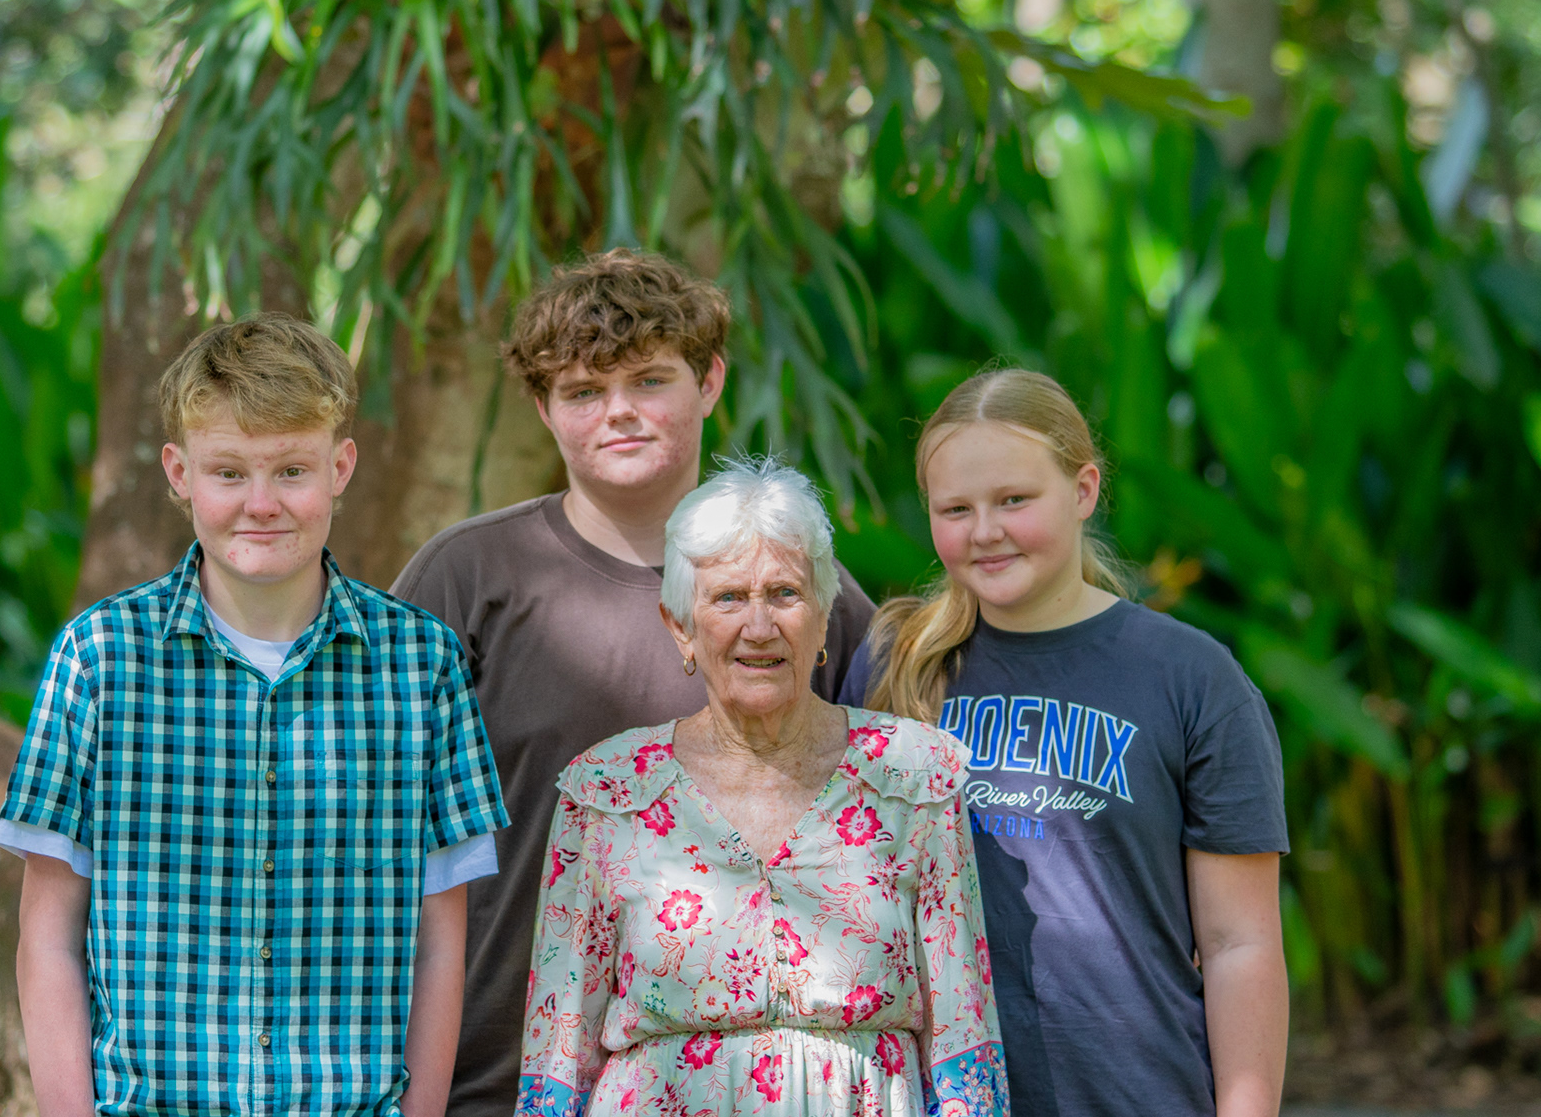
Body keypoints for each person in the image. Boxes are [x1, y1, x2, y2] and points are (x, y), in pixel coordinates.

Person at [390, 250, 877, 1117]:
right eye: (583, 391)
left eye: (649, 380)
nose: (619, 410)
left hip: (740, 1086)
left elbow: (895, 831)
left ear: (710, 381)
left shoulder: (801, 596)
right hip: (490, 1078)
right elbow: (374, 842)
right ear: (543, 409)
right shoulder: (467, 581)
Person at [0, 315, 510, 1117]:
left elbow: (440, 944)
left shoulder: (422, 665)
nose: (261, 504)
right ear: (179, 473)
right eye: (228, 473)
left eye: (292, 470)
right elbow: (49, 937)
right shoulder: (98, 660)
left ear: (340, 467)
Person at [841, 367, 1289, 1117]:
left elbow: (1238, 943)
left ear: (1083, 491)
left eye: (1014, 500)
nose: (985, 531)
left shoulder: (1191, 679)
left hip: (1136, 1095)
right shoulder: (893, 668)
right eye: (956, 509)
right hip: (930, 1096)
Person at [515, 458, 1007, 1117]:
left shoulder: (914, 777)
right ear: (681, 626)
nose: (758, 626)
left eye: (784, 594)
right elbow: (557, 1057)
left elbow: (963, 1041)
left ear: (824, 614)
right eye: (727, 598)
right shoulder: (607, 792)